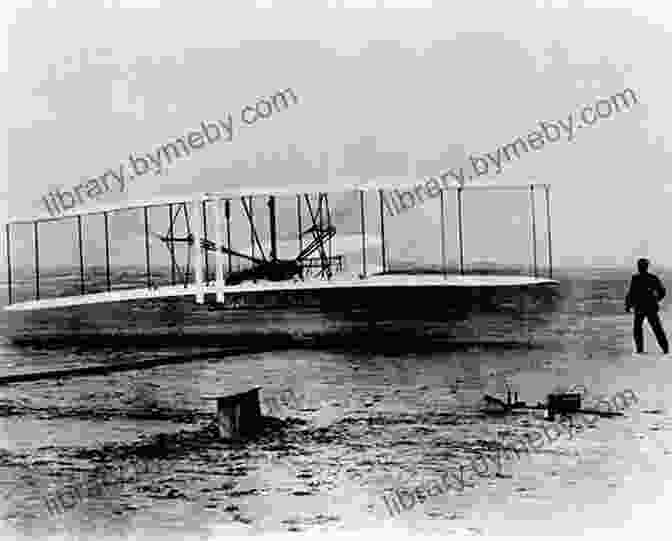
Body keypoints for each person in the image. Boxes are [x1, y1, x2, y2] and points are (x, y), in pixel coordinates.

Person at [625, 258, 669, 354]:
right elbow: (662, 292)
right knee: (656, 329)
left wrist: (628, 305)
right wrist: (655, 300)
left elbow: (631, 294)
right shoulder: (652, 278)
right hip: (649, 307)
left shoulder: (636, 278)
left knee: (639, 329)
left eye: (640, 265)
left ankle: (640, 350)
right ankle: (665, 349)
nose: (639, 267)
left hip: (640, 308)